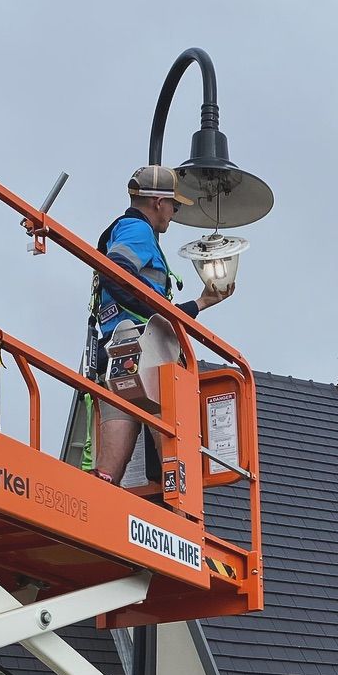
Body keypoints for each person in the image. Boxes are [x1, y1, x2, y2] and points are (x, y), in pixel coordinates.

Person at [85, 165, 234, 484]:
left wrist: (201, 302)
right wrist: (155, 316)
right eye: (174, 205)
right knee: (173, 432)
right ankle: (179, 508)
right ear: (158, 202)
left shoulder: (121, 230)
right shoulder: (137, 231)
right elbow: (117, 273)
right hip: (148, 348)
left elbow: (130, 291)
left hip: (118, 349)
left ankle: (101, 489)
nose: (174, 213)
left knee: (116, 431)